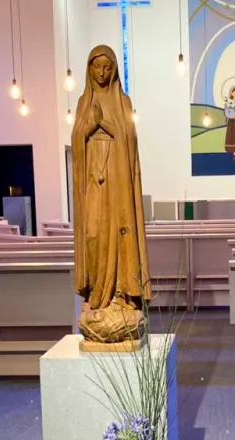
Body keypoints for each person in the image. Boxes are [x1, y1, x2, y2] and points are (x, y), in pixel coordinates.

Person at [71, 45, 151, 345]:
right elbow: (77, 138)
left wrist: (105, 124)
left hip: (117, 182)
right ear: (89, 68)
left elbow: (129, 139)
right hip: (93, 178)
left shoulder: (123, 101)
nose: (102, 73)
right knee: (93, 232)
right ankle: (97, 295)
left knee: (119, 235)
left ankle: (120, 295)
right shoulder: (84, 102)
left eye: (107, 67)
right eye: (97, 67)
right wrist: (88, 127)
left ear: (115, 69)